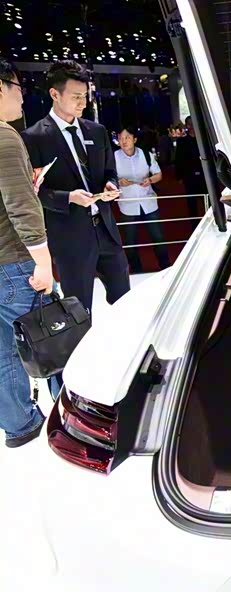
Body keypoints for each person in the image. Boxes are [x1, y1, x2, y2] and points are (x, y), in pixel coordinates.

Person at [21, 60, 129, 313]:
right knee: (79, 309)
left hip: (106, 229)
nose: (83, 102)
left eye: (85, 95)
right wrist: (68, 197)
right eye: (76, 96)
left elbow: (109, 171)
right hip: (69, 236)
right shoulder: (34, 138)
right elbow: (33, 192)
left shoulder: (97, 131)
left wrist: (110, 185)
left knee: (125, 301)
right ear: (55, 94)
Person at [0, 57, 54, 447]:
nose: (22, 98)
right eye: (18, 88)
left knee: (3, 351)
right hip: (15, 263)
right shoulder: (4, 136)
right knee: (59, 337)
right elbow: (21, 209)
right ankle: (86, 420)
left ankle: (20, 424)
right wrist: (44, 264)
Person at [115, 125, 170, 273]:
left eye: (127, 137)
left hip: (148, 201)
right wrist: (119, 182)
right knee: (130, 240)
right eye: (120, 138)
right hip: (127, 204)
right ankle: (136, 269)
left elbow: (158, 174)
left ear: (134, 139)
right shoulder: (114, 157)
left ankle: (165, 266)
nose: (123, 141)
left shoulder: (145, 155)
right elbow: (109, 178)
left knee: (158, 236)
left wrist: (150, 180)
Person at [174, 115, 206, 218]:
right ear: (186, 125)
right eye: (189, 124)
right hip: (189, 175)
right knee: (192, 202)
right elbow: (178, 159)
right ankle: (194, 222)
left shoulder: (204, 140)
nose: (191, 126)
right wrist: (179, 176)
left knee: (208, 200)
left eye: (193, 123)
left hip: (204, 175)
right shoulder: (181, 141)